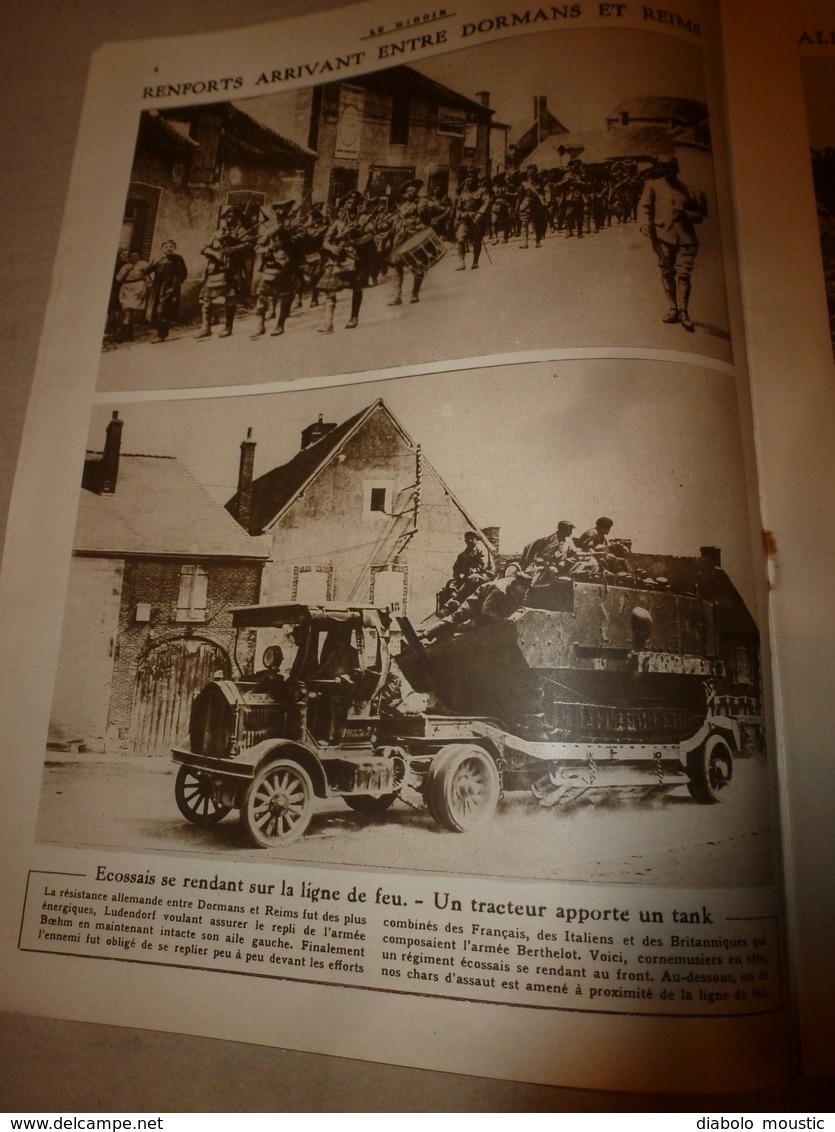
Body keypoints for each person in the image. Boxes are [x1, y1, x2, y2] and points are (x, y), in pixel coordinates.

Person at [638, 154, 705, 332]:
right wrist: (645, 223)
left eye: (669, 168)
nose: (666, 171)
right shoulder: (652, 185)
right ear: (659, 168)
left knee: (684, 274)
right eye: (663, 167)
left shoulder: (686, 189)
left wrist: (687, 214)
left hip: (686, 238)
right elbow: (644, 206)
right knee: (667, 271)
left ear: (675, 169)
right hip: (663, 235)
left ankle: (684, 313)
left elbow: (699, 216)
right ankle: (673, 309)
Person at [437, 531, 495, 613]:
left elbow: (483, 566)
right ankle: (453, 602)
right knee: (452, 583)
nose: (470, 541)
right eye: (468, 539)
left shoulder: (482, 550)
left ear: (476, 540)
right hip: (470, 575)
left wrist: (472, 571)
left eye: (472, 539)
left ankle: (457, 600)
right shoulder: (464, 554)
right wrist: (457, 575)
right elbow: (456, 566)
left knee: (472, 578)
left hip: (486, 575)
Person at [147, 240, 188, 342]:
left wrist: (174, 285)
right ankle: (162, 333)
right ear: (162, 249)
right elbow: (147, 271)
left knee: (162, 310)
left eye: (171, 246)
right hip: (157, 288)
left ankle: (161, 335)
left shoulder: (178, 259)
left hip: (171, 288)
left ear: (174, 247)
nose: (168, 248)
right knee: (157, 311)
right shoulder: (158, 259)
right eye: (166, 246)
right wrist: (153, 263)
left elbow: (183, 274)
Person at [115, 250, 151, 340]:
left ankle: (121, 334)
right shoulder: (126, 266)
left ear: (139, 256)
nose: (134, 258)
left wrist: (145, 273)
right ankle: (129, 334)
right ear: (129, 257)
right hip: (126, 288)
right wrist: (126, 270)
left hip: (138, 287)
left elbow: (149, 273)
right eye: (132, 256)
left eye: (136, 256)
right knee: (127, 309)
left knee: (131, 309)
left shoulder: (143, 264)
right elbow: (118, 278)